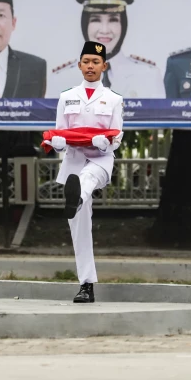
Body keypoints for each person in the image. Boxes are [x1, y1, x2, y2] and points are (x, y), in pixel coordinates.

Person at [46, 41, 124, 303]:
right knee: (79, 227)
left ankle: (78, 195)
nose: (91, 66)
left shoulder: (114, 99)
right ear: (79, 65)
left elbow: (117, 136)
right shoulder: (66, 96)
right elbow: (60, 131)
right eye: (86, 62)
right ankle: (86, 284)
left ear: (104, 65)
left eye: (95, 62)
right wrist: (57, 143)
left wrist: (107, 142)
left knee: (87, 179)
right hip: (73, 162)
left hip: (100, 160)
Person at [49, 0, 164, 99]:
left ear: (123, 25)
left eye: (113, 20)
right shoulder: (61, 78)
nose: (104, 30)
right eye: (96, 20)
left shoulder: (148, 75)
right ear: (84, 24)